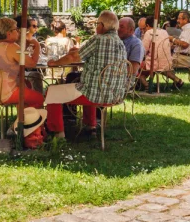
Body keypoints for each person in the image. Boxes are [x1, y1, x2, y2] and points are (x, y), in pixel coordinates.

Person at [46, 10, 128, 139]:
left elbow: (74, 57)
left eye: (97, 24)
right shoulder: (120, 42)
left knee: (52, 91)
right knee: (88, 83)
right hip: (114, 94)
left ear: (102, 25)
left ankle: (58, 134)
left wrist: (54, 63)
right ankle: (90, 126)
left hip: (95, 94)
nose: (96, 26)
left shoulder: (98, 39)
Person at [0, 17, 44, 108]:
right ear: (8, 33)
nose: (18, 31)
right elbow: (32, 63)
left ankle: (24, 118)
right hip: (3, 93)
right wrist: (37, 45)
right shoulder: (11, 46)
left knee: (26, 84)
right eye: (16, 29)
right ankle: (28, 120)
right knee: (39, 98)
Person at [140, 16, 174, 91]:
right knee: (151, 62)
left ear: (147, 25)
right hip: (167, 62)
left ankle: (147, 85)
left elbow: (143, 50)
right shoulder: (164, 32)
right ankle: (177, 80)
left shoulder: (149, 33)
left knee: (137, 68)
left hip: (154, 63)